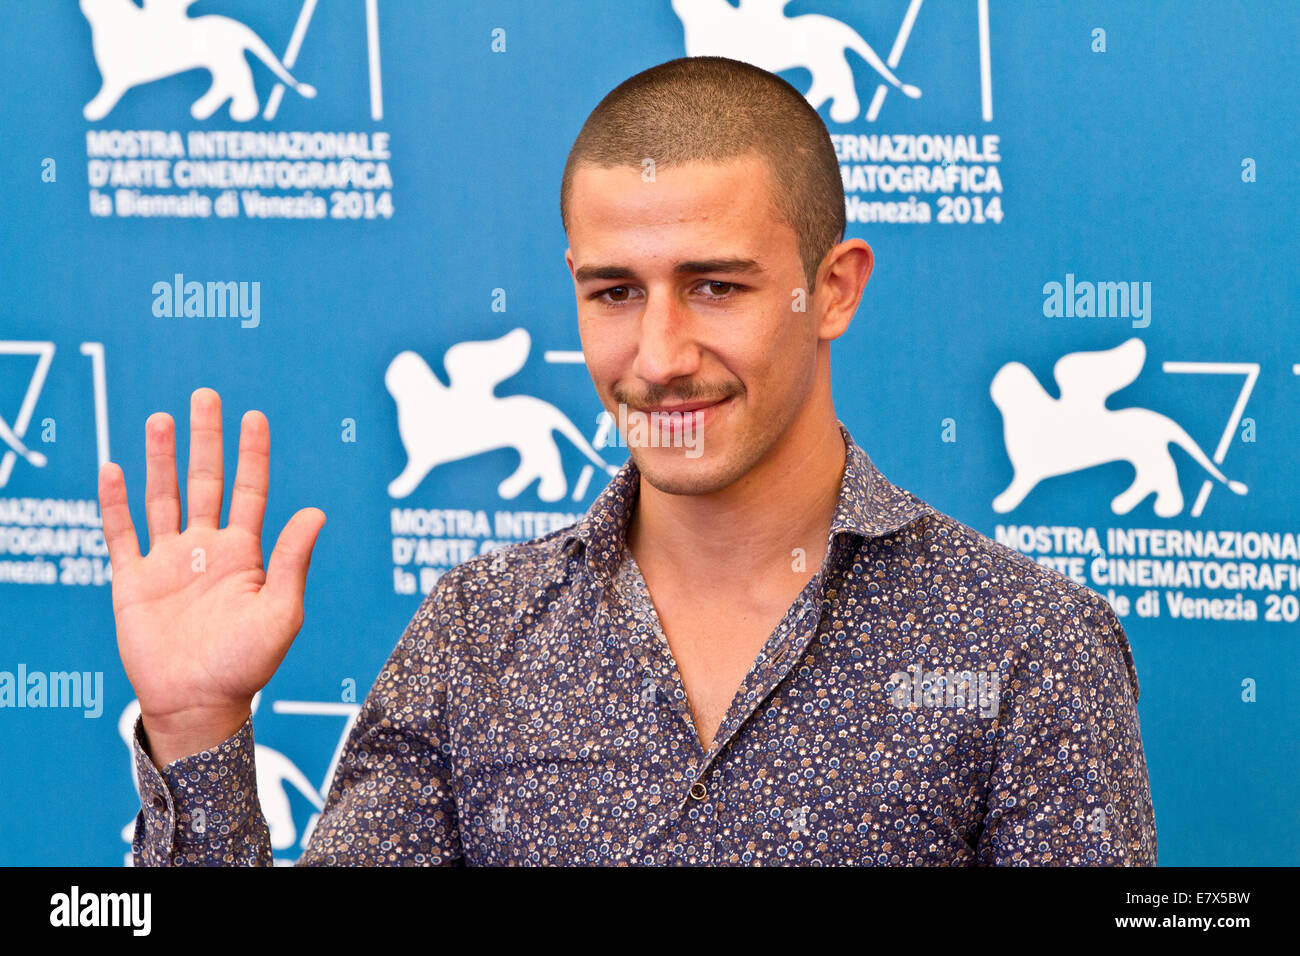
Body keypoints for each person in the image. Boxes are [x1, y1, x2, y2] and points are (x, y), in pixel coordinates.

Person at [99, 56, 1157, 866]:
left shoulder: (1027, 642)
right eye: (614, 293)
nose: (657, 357)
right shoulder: (475, 633)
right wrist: (198, 728)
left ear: (831, 288)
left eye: (715, 286)